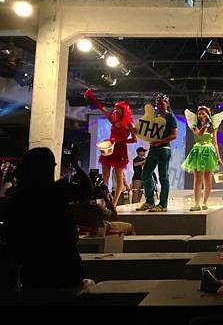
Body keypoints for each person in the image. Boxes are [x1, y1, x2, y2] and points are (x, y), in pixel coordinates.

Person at [0, 147, 92, 289]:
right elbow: (86, 190)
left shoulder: (18, 199)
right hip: (68, 270)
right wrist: (75, 164)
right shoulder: (60, 190)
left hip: (34, 274)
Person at [85, 89, 137, 206]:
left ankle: (114, 203)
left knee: (119, 178)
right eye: (115, 109)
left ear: (124, 110)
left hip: (120, 150)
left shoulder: (130, 124)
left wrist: (121, 141)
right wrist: (91, 98)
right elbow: (102, 109)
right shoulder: (113, 120)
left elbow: (135, 139)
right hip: (110, 148)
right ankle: (105, 201)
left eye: (118, 109)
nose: (116, 111)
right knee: (105, 177)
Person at [136, 93, 178, 212]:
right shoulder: (156, 115)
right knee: (145, 174)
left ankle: (163, 205)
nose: (159, 106)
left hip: (164, 150)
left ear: (167, 104)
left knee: (163, 177)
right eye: (158, 104)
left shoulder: (170, 117)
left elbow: (174, 135)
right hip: (153, 150)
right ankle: (149, 202)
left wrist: (159, 142)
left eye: (162, 103)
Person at [182, 106, 223, 211]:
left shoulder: (213, 127)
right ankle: (197, 204)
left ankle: (205, 202)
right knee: (197, 178)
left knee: (208, 178)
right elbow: (199, 134)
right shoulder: (194, 125)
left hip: (209, 152)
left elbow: (215, 142)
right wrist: (205, 125)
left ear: (208, 115)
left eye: (203, 113)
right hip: (198, 151)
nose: (201, 115)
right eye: (199, 113)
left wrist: (218, 157)